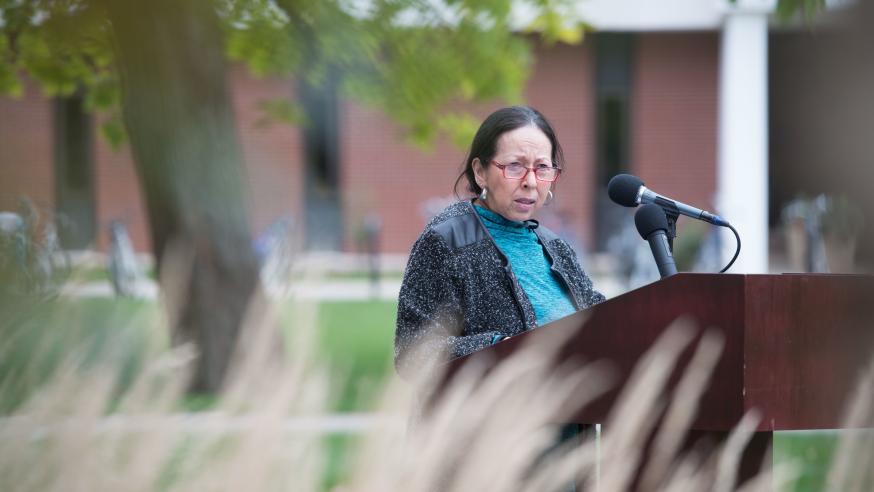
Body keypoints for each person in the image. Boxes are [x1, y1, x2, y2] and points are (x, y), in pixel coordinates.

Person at [394, 106, 605, 379]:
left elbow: (600, 320)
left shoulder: (556, 247)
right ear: (480, 172)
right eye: (515, 166)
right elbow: (413, 353)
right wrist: (499, 349)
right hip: (500, 407)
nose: (531, 182)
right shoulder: (446, 241)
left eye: (542, 168)